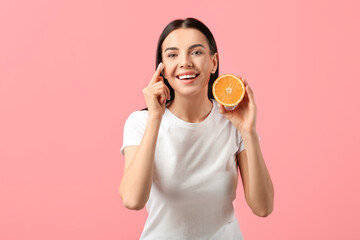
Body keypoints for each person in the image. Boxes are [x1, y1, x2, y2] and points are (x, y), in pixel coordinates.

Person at [119, 17, 274, 240]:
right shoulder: (140, 122)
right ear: (161, 67)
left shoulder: (233, 122)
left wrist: (248, 132)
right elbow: (133, 200)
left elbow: (263, 207)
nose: (185, 62)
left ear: (213, 62)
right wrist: (155, 118)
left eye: (196, 52)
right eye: (172, 55)